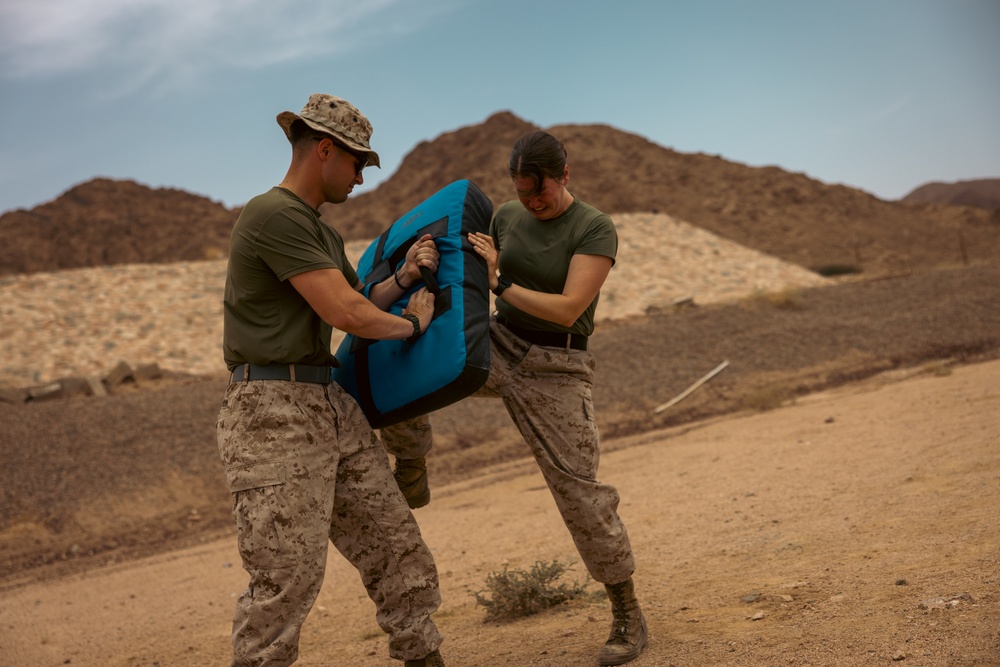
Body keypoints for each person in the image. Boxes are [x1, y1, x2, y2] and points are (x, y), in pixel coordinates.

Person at [382, 130, 648, 665]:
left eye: (541, 191)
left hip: (557, 364)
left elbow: (569, 307)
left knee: (581, 493)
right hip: (499, 343)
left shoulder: (594, 227)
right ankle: (411, 459)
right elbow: (468, 267)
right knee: (405, 362)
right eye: (523, 192)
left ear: (565, 175)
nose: (532, 202)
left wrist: (499, 282)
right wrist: (424, 263)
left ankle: (626, 612)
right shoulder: (505, 214)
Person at [216, 93, 446, 667]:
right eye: (358, 164)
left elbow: (355, 296)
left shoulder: (316, 229)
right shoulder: (271, 215)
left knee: (398, 552)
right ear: (325, 150)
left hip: (326, 404)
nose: (362, 179)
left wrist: (405, 276)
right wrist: (410, 322)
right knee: (285, 583)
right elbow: (348, 314)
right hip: (272, 415)